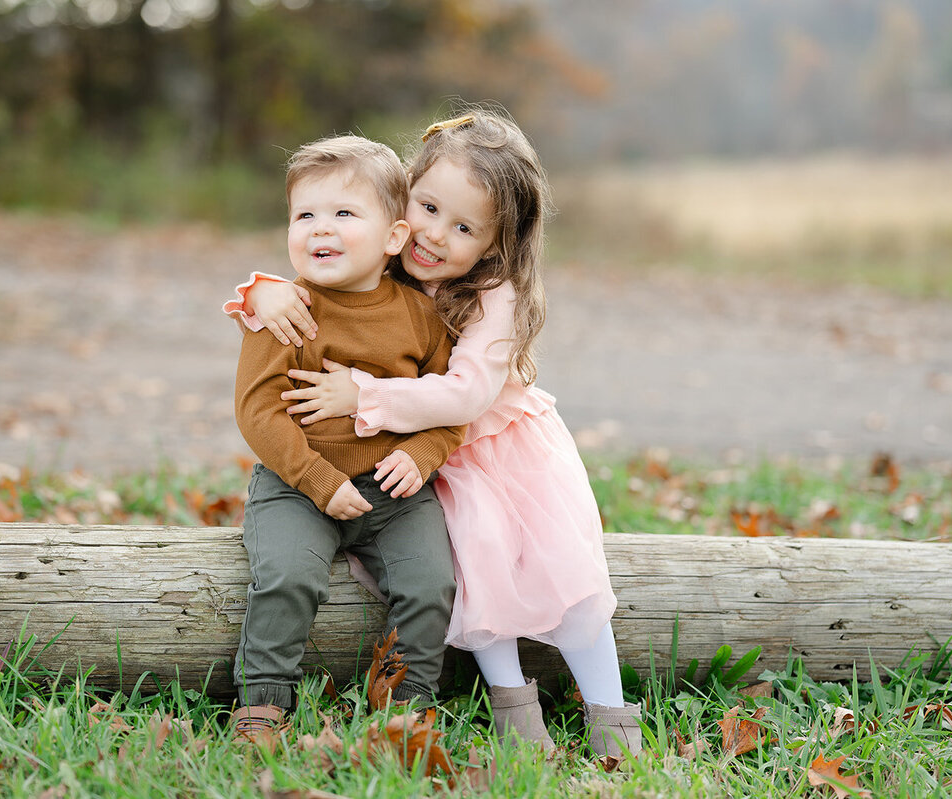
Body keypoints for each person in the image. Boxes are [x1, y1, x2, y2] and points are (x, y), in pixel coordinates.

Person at [224, 110, 642, 757]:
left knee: (502, 579)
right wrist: (258, 292)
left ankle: (428, 711)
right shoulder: (340, 285)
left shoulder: (464, 299)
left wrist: (385, 417)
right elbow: (319, 270)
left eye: (464, 226)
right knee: (329, 576)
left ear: (494, 244)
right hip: (350, 473)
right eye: (428, 207)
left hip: (477, 461)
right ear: (401, 210)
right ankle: (266, 704)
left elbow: (463, 401)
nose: (436, 235)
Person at [226, 134, 466, 742]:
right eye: (304, 215)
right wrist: (317, 481)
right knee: (288, 575)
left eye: (343, 214)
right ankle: (263, 700)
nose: (319, 229)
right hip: (297, 483)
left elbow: (450, 406)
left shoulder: (420, 317)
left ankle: (408, 707)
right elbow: (258, 412)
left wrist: (421, 454)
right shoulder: (284, 310)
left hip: (395, 490)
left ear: (394, 238)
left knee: (431, 584)